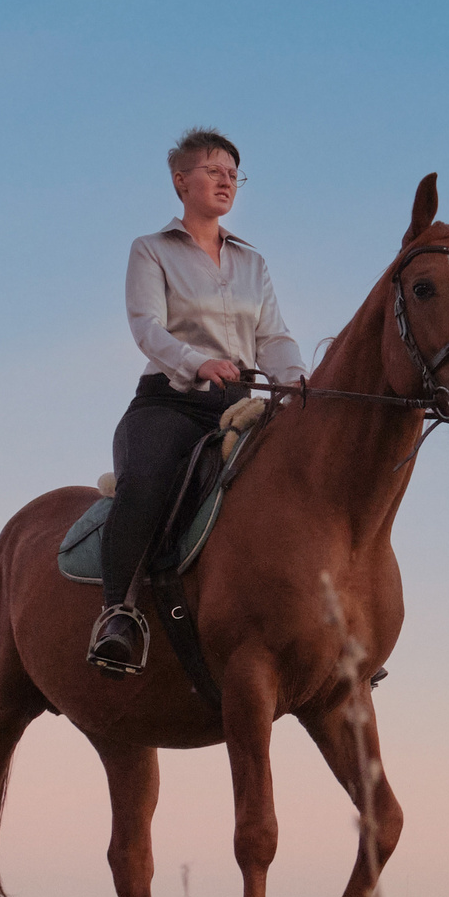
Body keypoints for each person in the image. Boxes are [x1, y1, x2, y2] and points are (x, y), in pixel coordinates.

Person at [90, 129, 307, 673]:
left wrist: (297, 381)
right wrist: (197, 362)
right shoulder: (151, 250)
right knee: (146, 483)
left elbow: (274, 337)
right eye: (214, 171)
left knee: (307, 478)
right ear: (181, 181)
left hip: (242, 402)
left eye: (234, 174)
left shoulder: (254, 264)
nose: (226, 181)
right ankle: (119, 614)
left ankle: (327, 621)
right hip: (172, 401)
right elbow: (147, 328)